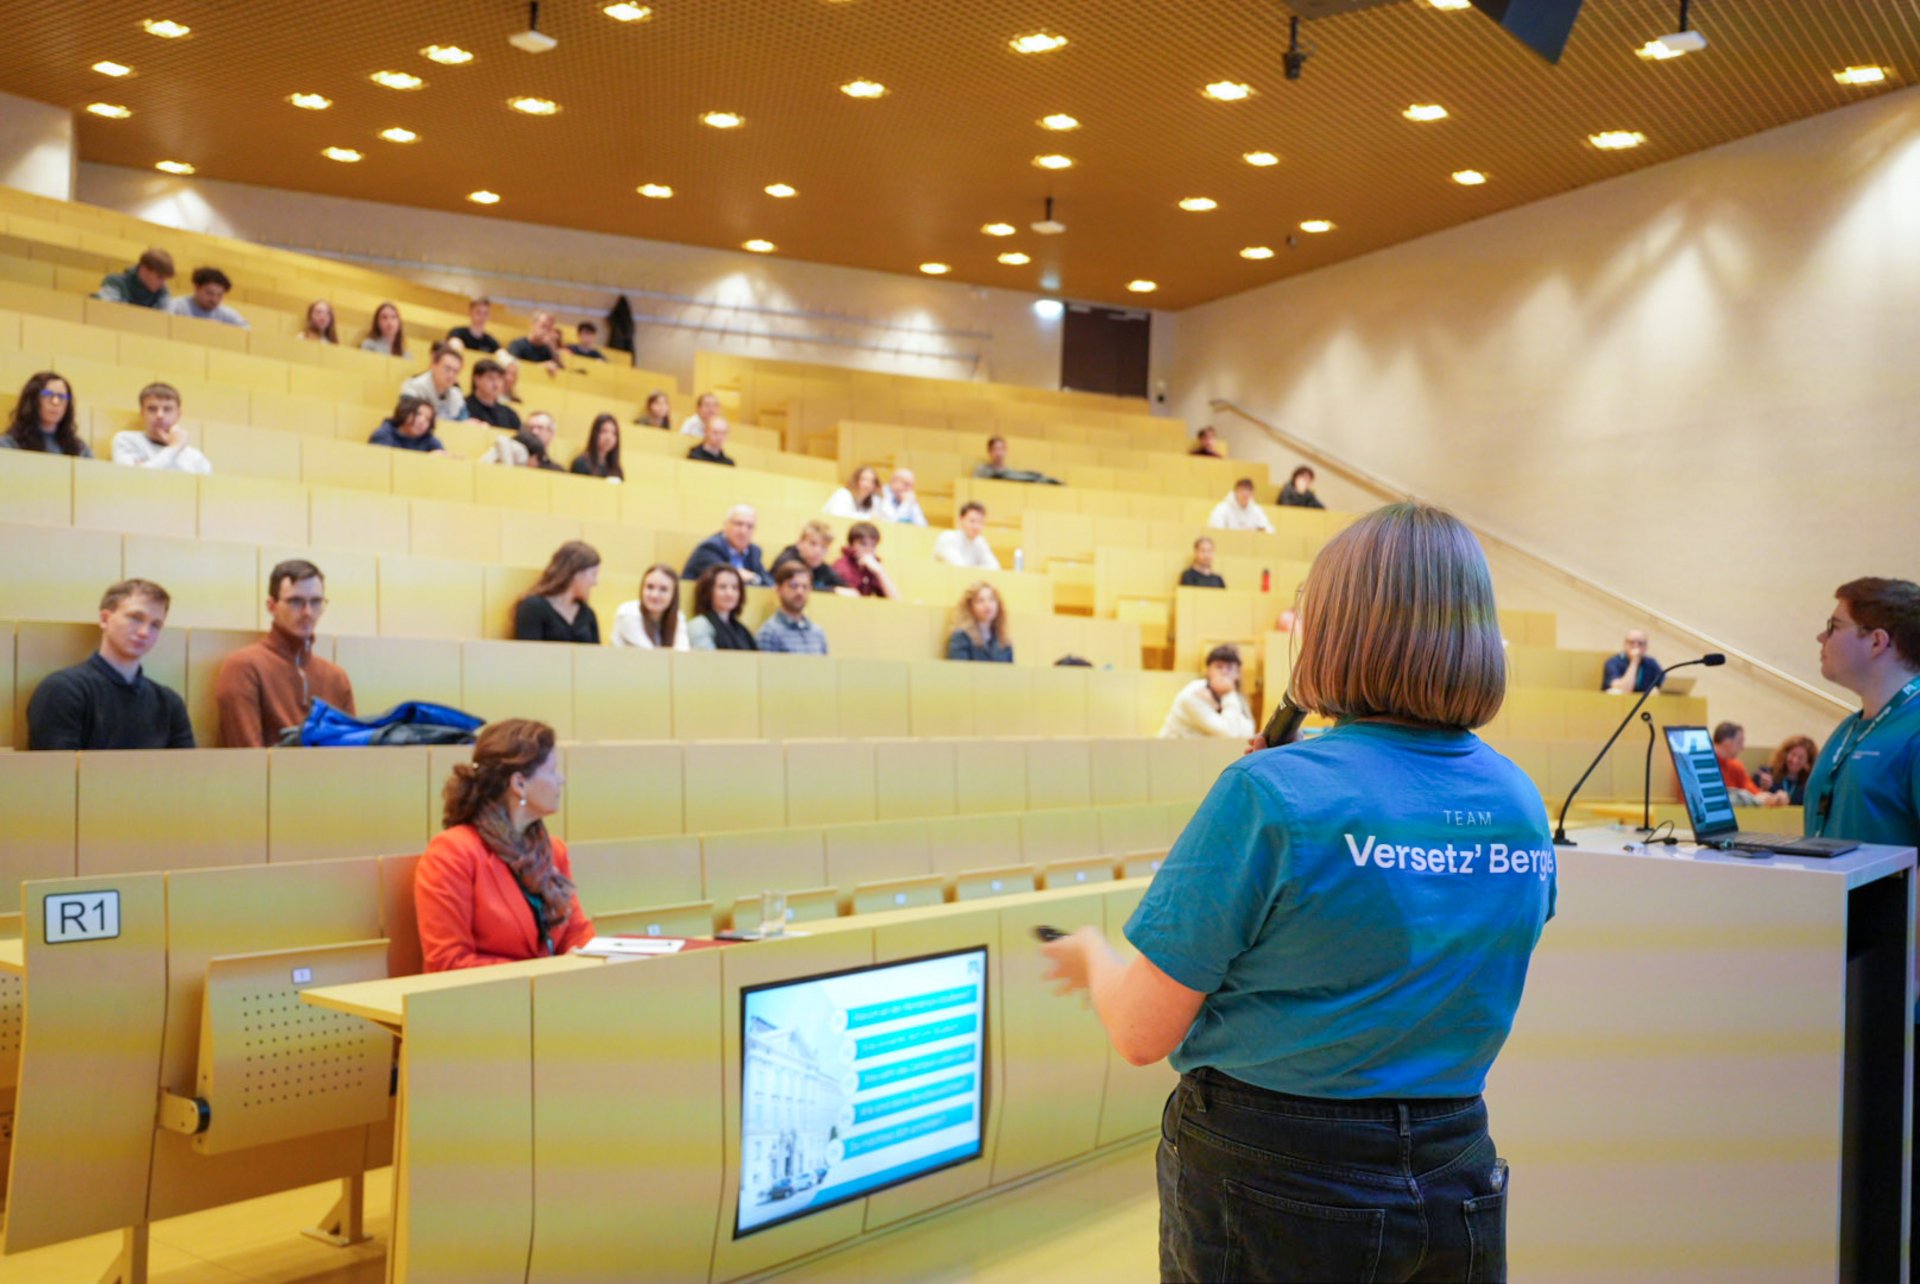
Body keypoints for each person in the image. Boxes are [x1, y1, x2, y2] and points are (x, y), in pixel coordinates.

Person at [1040, 502, 1552, 1283]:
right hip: (1457, 1169)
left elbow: (1144, 1030)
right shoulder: (1520, 803)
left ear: (1333, 630)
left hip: (1275, 1177)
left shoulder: (1271, 794)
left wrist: (1091, 958)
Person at [414, 718, 595, 972]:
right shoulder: (452, 853)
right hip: (480, 1004)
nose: (561, 780)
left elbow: (577, 934)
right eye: (552, 771)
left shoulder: (553, 851)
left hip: (546, 999)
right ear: (519, 783)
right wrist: (541, 973)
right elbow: (448, 961)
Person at [1805, 577, 1920, 848]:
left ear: (1877, 642)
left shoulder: (1914, 729)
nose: (1821, 637)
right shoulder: (1850, 728)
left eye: (1834, 627)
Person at [27, 579, 194, 750]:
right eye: (136, 618)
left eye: (155, 625)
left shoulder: (169, 703)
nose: (144, 632)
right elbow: (57, 773)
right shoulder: (62, 690)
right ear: (105, 619)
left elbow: (187, 772)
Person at [213, 558, 356, 747]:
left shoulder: (336, 677)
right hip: (266, 776)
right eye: (295, 601)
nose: (308, 612)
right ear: (271, 606)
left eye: (316, 602)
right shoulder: (243, 667)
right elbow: (248, 757)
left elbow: (352, 754)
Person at [1159, 644, 1257, 739]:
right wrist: (1228, 695)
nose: (1224, 673)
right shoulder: (1193, 694)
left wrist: (1224, 701)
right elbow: (1229, 735)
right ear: (1208, 670)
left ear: (1238, 674)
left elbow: (1248, 733)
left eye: (1230, 668)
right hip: (1170, 751)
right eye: (1219, 667)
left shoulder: (1236, 696)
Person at [111, 382, 211, 474]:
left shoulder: (196, 457)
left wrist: (145, 466)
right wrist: (175, 447)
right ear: (142, 413)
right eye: (152, 409)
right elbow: (132, 479)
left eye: (167, 409)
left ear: (178, 414)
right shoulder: (125, 440)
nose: (160, 415)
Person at [513, 541, 601, 644]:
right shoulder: (533, 607)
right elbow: (528, 654)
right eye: (593, 574)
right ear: (576, 573)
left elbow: (596, 656)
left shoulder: (587, 613)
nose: (595, 582)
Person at [3, 371, 91, 456]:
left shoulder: (80, 450)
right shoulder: (9, 445)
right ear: (33, 399)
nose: (55, 402)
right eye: (48, 394)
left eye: (61, 396)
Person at [757, 561, 829, 655]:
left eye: (805, 587)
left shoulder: (818, 633)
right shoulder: (769, 633)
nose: (800, 592)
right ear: (779, 589)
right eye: (793, 586)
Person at [682, 505, 769, 583]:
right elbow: (725, 577)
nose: (744, 531)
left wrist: (755, 578)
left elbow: (769, 583)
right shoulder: (710, 548)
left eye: (749, 527)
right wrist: (748, 577)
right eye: (739, 524)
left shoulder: (753, 552)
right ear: (726, 525)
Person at [612, 564, 689, 651]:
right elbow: (650, 657)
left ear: (673, 595)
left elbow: (682, 654)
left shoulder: (678, 617)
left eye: (663, 589)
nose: (655, 595)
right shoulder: (627, 613)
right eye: (650, 587)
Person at [1713, 721, 1789, 806]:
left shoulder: (1736, 766)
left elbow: (1754, 794)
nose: (1742, 747)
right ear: (1727, 742)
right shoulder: (1704, 766)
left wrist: (1766, 793)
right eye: (1740, 742)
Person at [686, 565, 757, 651]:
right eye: (722, 587)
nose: (729, 593)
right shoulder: (699, 625)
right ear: (708, 591)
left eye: (735, 587)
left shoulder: (741, 630)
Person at [401, 342, 469, 422]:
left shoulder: (456, 395)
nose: (451, 375)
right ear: (434, 365)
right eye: (447, 368)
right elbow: (407, 419)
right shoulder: (413, 387)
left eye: (455, 371)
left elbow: (464, 423)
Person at [772, 520, 849, 592]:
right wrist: (833, 590)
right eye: (813, 544)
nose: (818, 551)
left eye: (824, 547)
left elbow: (845, 588)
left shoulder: (822, 567)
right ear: (800, 543)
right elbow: (796, 590)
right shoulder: (786, 561)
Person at [947, 583, 1012, 663]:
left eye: (992, 599)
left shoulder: (1003, 639)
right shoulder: (961, 637)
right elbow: (959, 671)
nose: (987, 605)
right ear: (970, 607)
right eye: (980, 601)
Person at [165, 266, 249, 328]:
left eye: (219, 295)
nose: (214, 299)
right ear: (197, 288)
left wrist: (222, 329)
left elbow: (246, 329)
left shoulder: (226, 314)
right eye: (209, 293)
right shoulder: (178, 306)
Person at [832, 522, 899, 599]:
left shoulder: (873, 567)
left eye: (873, 545)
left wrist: (880, 571)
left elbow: (895, 600)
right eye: (863, 544)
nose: (868, 549)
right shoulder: (842, 565)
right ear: (851, 545)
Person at [93, 247, 174, 308]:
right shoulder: (116, 284)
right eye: (159, 277)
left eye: (165, 279)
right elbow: (105, 312)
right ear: (144, 269)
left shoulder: (162, 292)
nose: (163, 283)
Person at [368, 395, 447, 453]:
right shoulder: (383, 434)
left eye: (428, 419)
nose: (422, 421)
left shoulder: (430, 441)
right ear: (405, 412)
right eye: (418, 414)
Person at [933, 501, 1001, 569]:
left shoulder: (980, 542)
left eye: (980, 522)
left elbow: (995, 567)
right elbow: (960, 568)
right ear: (961, 519)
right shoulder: (947, 538)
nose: (976, 526)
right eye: (972, 521)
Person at [973, 435, 1060, 484]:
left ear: (1006, 451)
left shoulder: (1010, 472)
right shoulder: (981, 470)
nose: (999, 453)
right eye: (995, 449)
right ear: (989, 451)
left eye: (1002, 449)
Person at [464, 358, 521, 431]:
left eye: (499, 378)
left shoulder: (509, 414)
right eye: (491, 378)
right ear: (477, 379)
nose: (496, 383)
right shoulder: (463, 407)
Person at [1602, 629, 1665, 694]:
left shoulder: (1651, 663)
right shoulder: (1613, 662)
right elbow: (1624, 689)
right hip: (1619, 701)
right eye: (1631, 642)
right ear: (1625, 644)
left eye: (1640, 643)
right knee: (1616, 692)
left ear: (1646, 647)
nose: (1636, 646)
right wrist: (1634, 662)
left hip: (1643, 701)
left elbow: (1661, 686)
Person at [1768, 734, 1819, 807]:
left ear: (1808, 762)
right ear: (1785, 754)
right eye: (1792, 754)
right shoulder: (1769, 775)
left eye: (1801, 758)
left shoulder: (1810, 786)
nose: (1795, 760)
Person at [1209, 478, 1275, 533]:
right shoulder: (1222, 508)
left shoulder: (1256, 510)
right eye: (1242, 490)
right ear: (1236, 491)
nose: (1245, 493)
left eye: (1249, 490)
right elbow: (1216, 530)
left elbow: (1269, 530)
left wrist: (1256, 530)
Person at [572, 413, 624, 480]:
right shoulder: (581, 463)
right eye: (604, 431)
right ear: (595, 434)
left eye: (613, 433)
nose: (609, 437)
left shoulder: (617, 469)